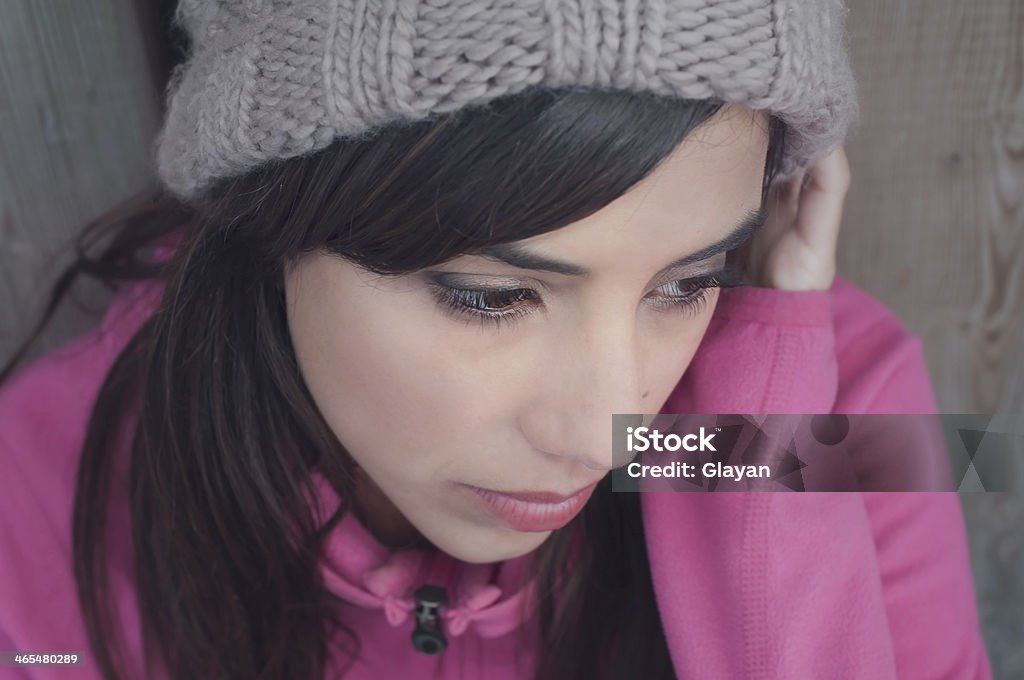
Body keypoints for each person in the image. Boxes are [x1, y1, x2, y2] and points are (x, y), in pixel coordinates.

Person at [0, 1, 992, 679]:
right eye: (488, 297)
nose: (607, 437)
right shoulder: (36, 488)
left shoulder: (853, 402)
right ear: (271, 220)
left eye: (688, 282)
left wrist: (753, 447)